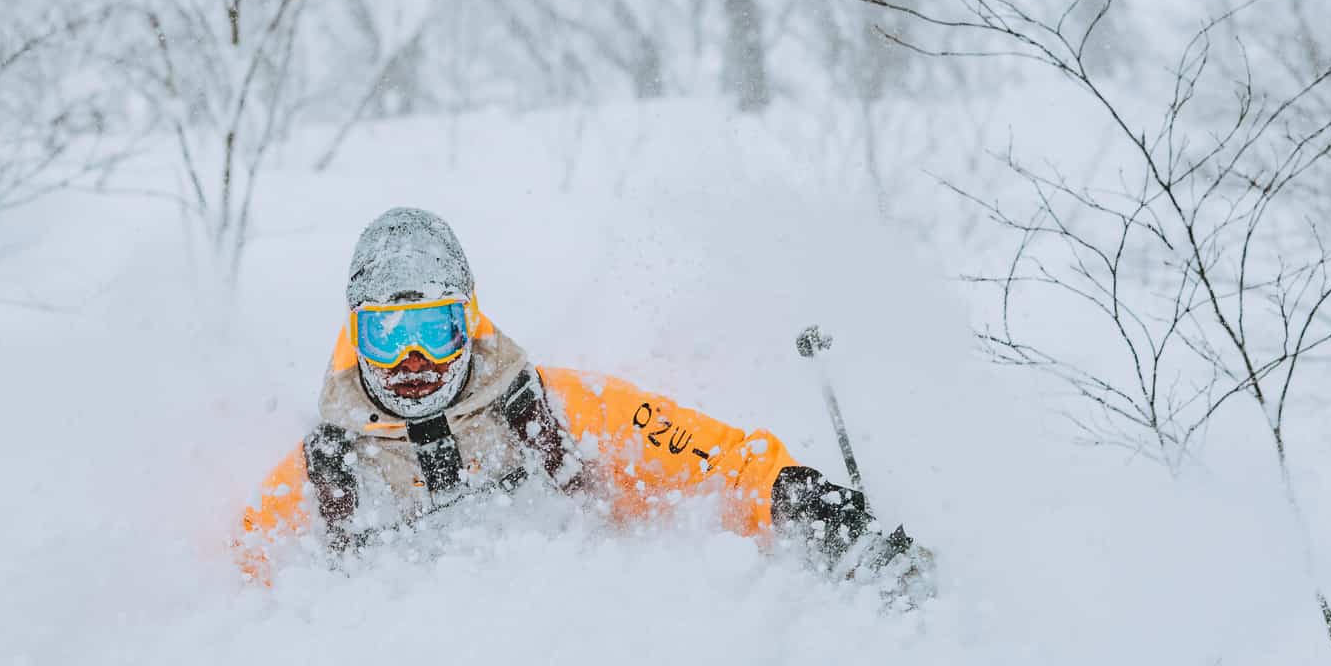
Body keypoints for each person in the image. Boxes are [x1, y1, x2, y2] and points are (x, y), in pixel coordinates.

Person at [236, 206, 927, 583]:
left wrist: (814, 510)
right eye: (386, 336)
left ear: (469, 324)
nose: (412, 361)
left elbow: (723, 461)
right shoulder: (324, 476)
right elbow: (240, 592)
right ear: (354, 339)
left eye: (435, 330)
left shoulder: (560, 413)